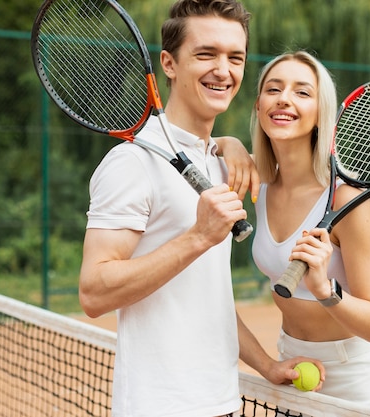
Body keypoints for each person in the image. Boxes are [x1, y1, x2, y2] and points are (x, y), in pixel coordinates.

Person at [78, 2, 322, 416]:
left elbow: (207, 297)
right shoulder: (130, 163)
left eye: (235, 58)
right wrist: (198, 237)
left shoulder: (220, 162)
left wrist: (266, 364)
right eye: (206, 54)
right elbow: (93, 292)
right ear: (169, 64)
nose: (223, 70)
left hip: (221, 400)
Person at [246, 51, 370, 416]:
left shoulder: (347, 202)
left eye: (302, 92)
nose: (284, 98)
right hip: (293, 363)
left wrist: (326, 290)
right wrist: (226, 145)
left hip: (355, 375)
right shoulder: (260, 186)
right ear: (259, 106)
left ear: (323, 114)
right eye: (274, 89)